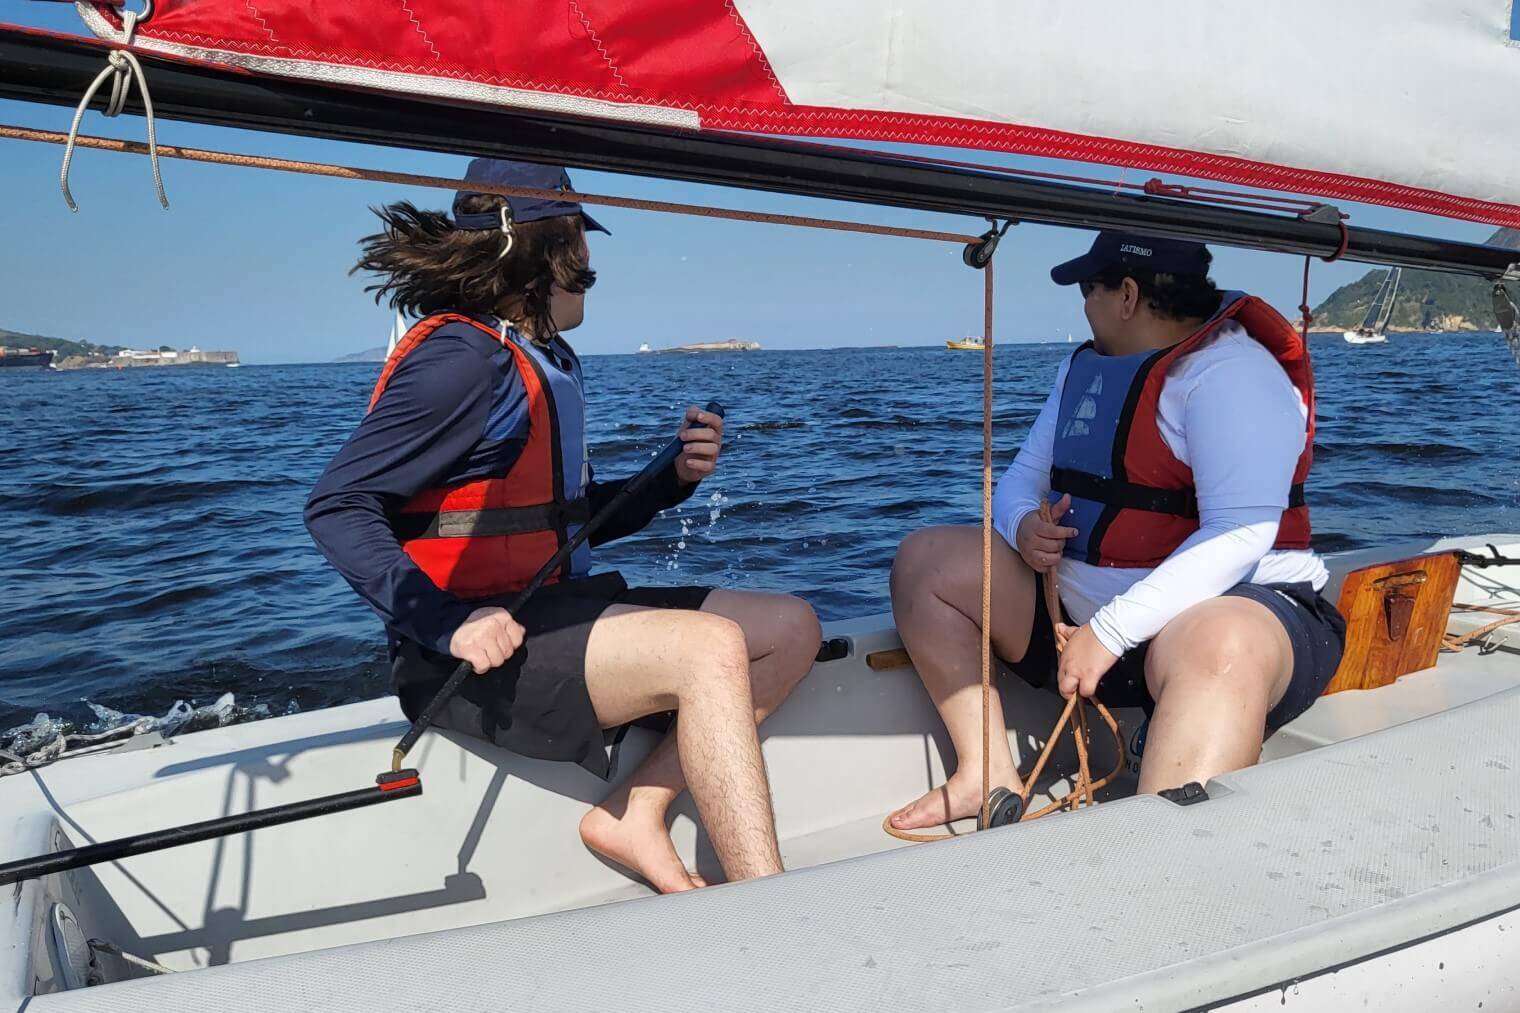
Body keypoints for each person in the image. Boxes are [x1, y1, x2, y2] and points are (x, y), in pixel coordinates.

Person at [305, 158, 820, 892]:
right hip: (463, 660)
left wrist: (671, 477)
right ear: (541, 253)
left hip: (553, 612)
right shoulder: (460, 362)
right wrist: (447, 623)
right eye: (581, 240)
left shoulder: (541, 357)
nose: (590, 261)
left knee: (791, 627)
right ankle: (769, 908)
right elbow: (336, 504)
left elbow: (570, 526)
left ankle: (632, 812)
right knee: (711, 648)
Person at [887, 231, 1346, 831]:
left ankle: (1166, 855)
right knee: (928, 562)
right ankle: (985, 774)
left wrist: (1109, 632)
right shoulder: (1087, 369)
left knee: (1219, 644)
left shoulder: (1231, 375)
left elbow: (1241, 532)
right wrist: (1024, 524)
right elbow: (1023, 478)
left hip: (1218, 625)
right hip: (1078, 629)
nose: (1082, 306)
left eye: (1088, 289)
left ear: (1127, 295)